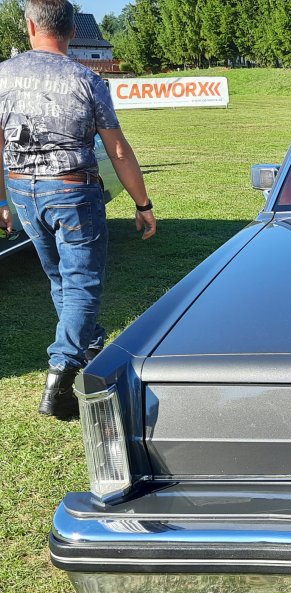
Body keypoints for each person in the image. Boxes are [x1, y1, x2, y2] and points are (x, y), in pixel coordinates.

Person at [0, 0, 156, 420]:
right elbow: (117, 149)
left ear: (30, 26)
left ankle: (87, 348)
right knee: (82, 283)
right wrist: (143, 203)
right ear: (71, 31)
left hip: (22, 189)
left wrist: (2, 199)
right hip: (71, 190)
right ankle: (60, 374)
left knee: (61, 279)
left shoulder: (2, 75)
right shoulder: (87, 78)